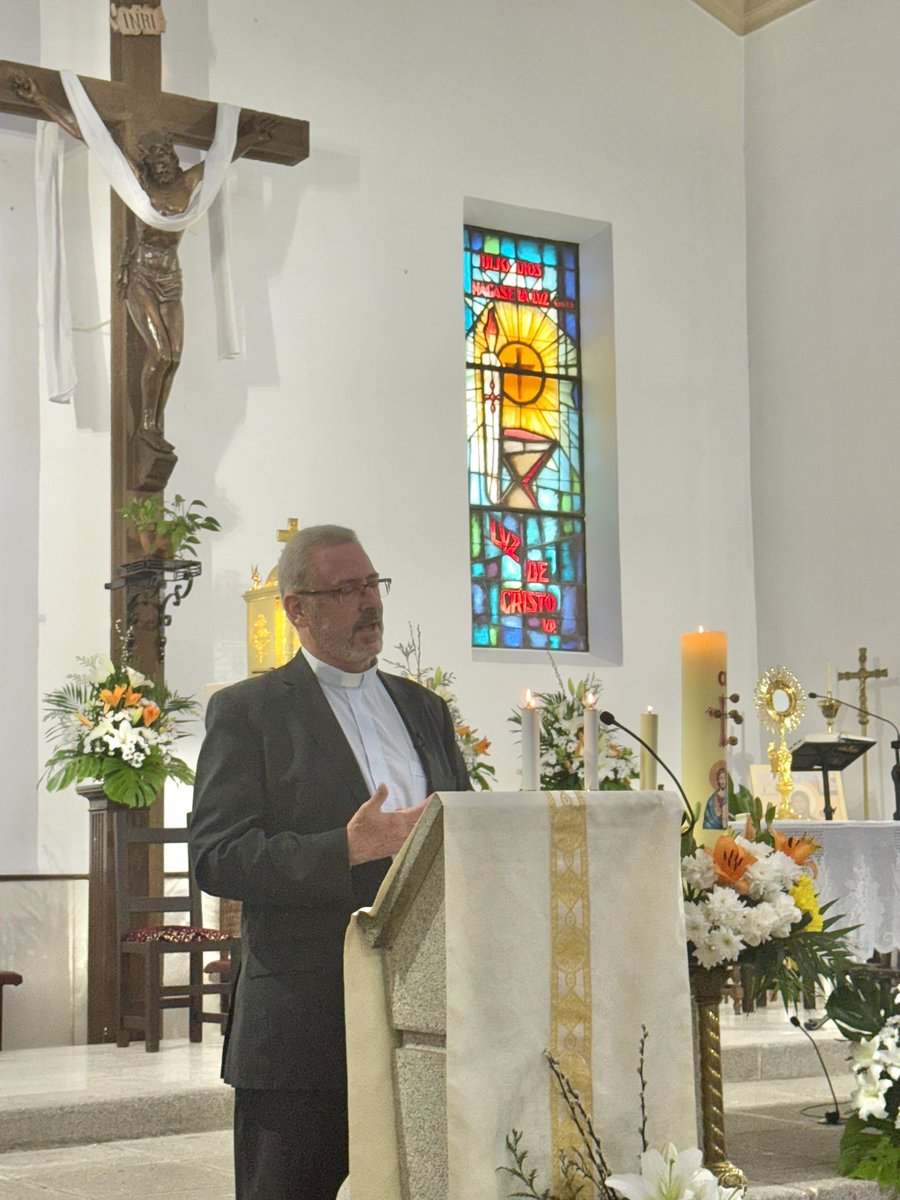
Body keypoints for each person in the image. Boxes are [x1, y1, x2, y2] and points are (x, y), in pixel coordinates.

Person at [189, 525, 471, 1200]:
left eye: (372, 585)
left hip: (422, 1018)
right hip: (302, 1025)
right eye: (346, 590)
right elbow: (218, 857)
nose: (369, 604)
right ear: (297, 609)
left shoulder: (424, 710)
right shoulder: (249, 712)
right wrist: (345, 849)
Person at [9, 74, 273, 454]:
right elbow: (90, 136)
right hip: (142, 276)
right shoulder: (138, 184)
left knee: (176, 357)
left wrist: (251, 138)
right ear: (147, 165)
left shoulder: (187, 184)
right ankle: (147, 425)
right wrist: (39, 99)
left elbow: (220, 159)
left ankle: (157, 425)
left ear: (174, 160)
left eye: (167, 159)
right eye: (157, 161)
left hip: (171, 276)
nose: (163, 166)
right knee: (161, 353)